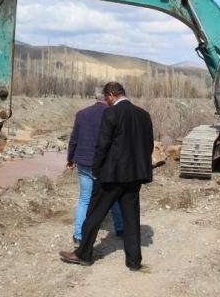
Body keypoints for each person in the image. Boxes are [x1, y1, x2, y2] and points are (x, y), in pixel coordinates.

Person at [59, 81, 154, 271]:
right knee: (131, 219)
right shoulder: (143, 115)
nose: (107, 101)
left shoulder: (111, 113)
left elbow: (102, 146)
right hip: (134, 176)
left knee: (94, 214)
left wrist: (96, 171)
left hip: (111, 176)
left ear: (111, 95)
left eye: (107, 98)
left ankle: (83, 254)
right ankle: (134, 262)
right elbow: (148, 145)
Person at [66, 89, 124, 248]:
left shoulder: (82, 113)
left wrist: (70, 158)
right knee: (111, 197)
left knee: (84, 198)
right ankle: (120, 229)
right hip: (105, 163)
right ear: (107, 97)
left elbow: (74, 139)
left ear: (94, 96)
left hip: (84, 161)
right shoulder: (114, 114)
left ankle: (78, 236)